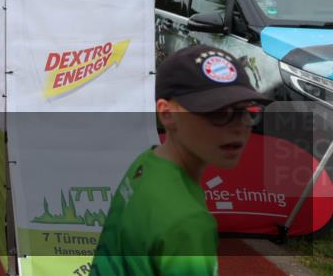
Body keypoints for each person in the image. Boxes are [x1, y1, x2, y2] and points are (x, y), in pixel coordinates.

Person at [90, 45, 270, 276]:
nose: (239, 127)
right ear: (167, 113)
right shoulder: (189, 223)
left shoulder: (147, 161)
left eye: (247, 111)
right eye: (217, 112)